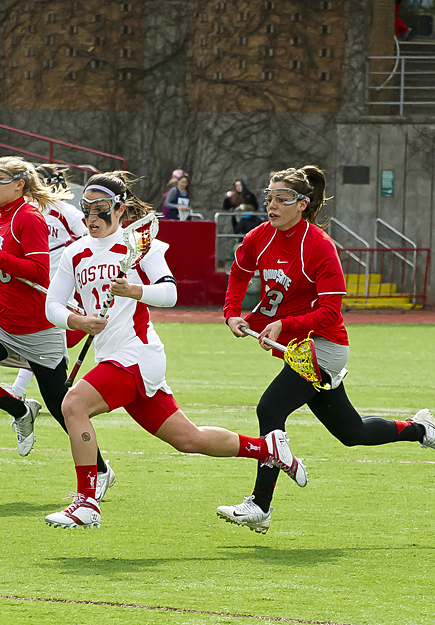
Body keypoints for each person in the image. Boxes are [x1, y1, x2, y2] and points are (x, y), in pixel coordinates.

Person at [41, 170, 306, 529]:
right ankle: (269, 450)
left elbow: (170, 293)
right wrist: (77, 321)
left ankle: (87, 502)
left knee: (72, 404)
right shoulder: (75, 253)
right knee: (188, 439)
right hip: (113, 355)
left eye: (100, 208)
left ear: (119, 209)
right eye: (86, 208)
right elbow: (52, 305)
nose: (91, 216)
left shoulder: (139, 245)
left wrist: (135, 290)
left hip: (138, 354)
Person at [220, 165, 435, 534]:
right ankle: (420, 430)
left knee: (270, 408)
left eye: (281, 199)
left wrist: (285, 324)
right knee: (352, 432)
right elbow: (238, 273)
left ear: (302, 204)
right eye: (269, 197)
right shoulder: (259, 236)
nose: (271, 205)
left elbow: (330, 312)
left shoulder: (319, 246)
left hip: (325, 346)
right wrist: (232, 313)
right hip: (296, 347)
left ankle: (260, 506)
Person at [0, 156, 115, 501]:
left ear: (20, 184)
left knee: (61, 406)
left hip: (38, 327)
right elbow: (5, 268)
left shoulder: (29, 217)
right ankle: (20, 408)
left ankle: (100, 470)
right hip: (0, 320)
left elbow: (39, 272)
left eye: (0, 179)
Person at [2, 163, 88, 401]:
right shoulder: (22, 211)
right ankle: (48, 386)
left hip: (59, 286)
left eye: (38, 180)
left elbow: (90, 240)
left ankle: (19, 389)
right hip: (31, 282)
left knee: (46, 338)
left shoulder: (66, 212)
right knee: (40, 338)